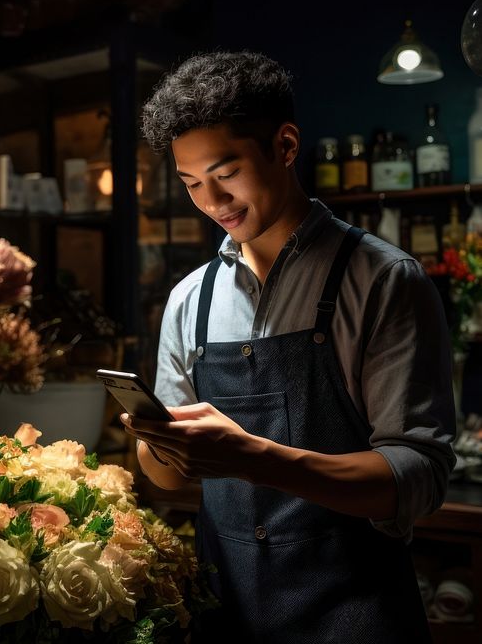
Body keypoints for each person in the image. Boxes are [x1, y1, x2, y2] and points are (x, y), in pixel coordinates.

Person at [122, 49, 456, 643]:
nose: (212, 202)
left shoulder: (382, 280)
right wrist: (156, 440)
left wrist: (253, 457)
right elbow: (170, 482)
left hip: (357, 614)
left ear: (285, 145)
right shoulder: (188, 301)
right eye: (192, 184)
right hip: (224, 613)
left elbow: (416, 477)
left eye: (226, 174)